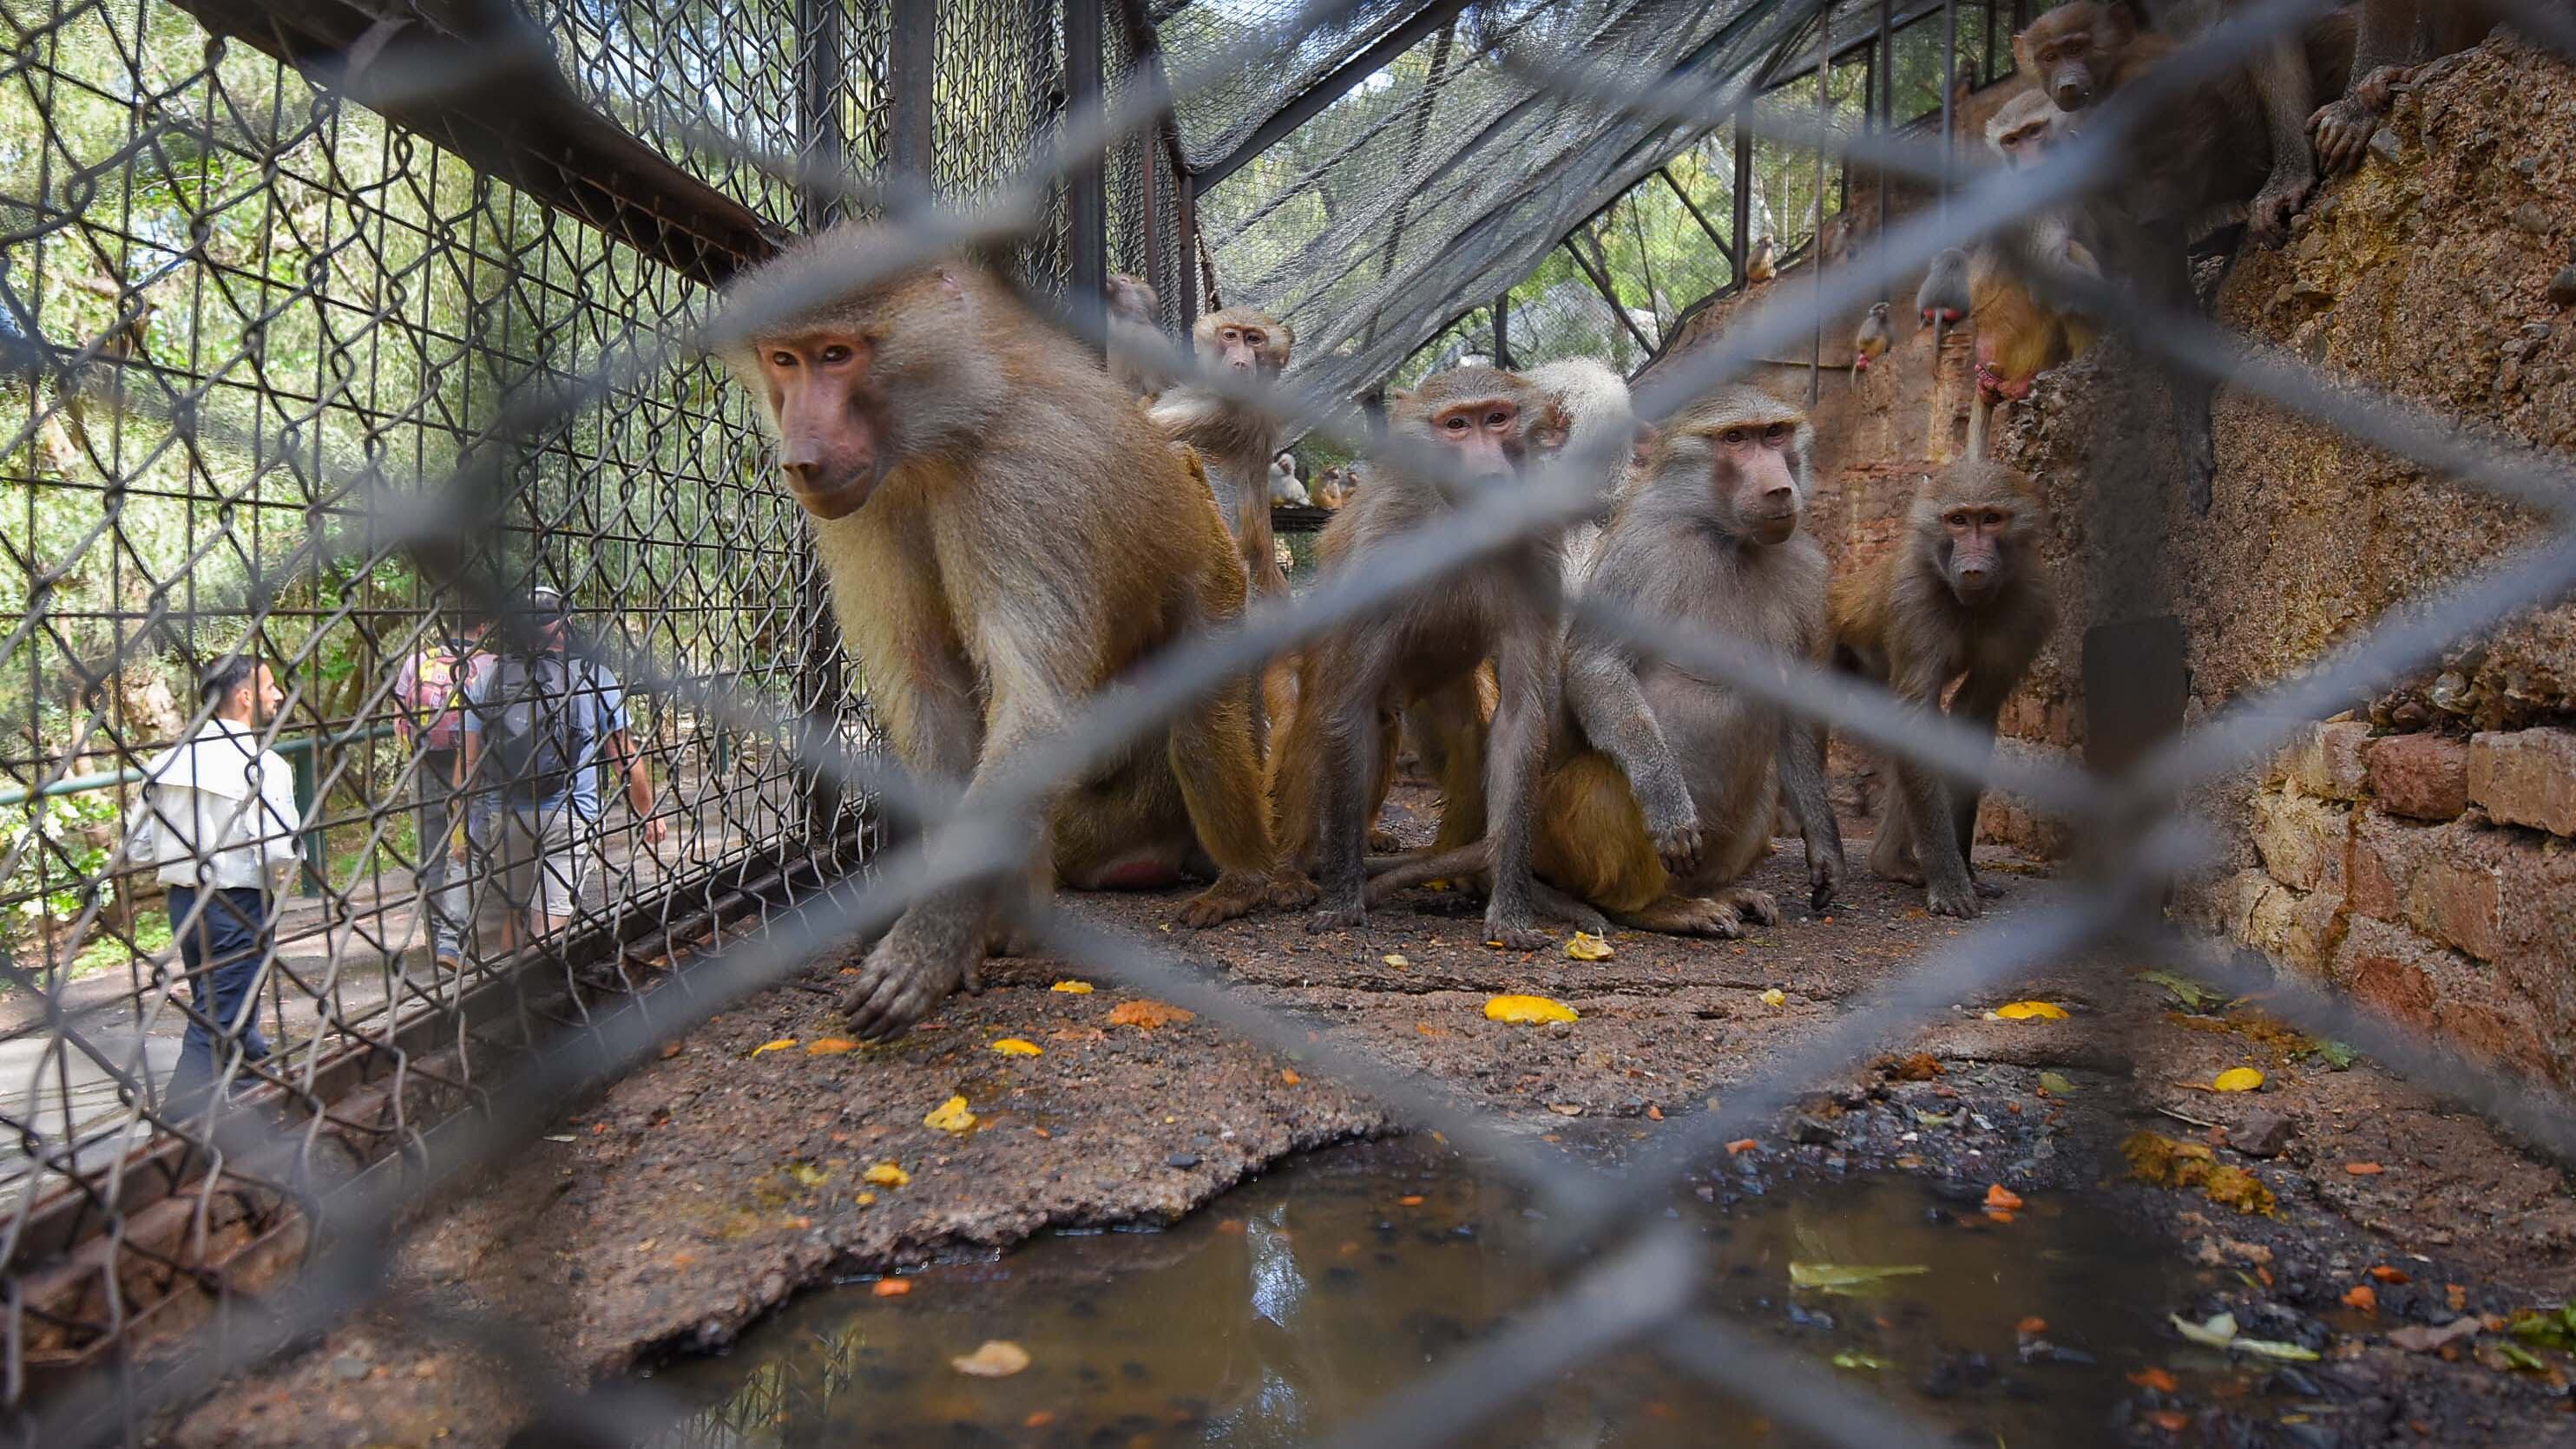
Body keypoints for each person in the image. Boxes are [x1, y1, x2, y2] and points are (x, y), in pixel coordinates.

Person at [124, 656, 299, 1111]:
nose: (279, 695)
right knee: (218, 1010)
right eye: (269, 688)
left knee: (220, 995)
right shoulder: (264, 764)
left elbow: (138, 847)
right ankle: (181, 1114)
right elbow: (280, 847)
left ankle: (252, 1077)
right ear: (245, 698)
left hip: (185, 900)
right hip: (238, 901)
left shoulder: (165, 762)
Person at [459, 587, 663, 954]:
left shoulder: (489, 677)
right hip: (567, 815)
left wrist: (462, 830)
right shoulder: (594, 675)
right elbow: (623, 755)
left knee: (515, 913)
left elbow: (470, 763)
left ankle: (508, 996)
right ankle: (534, 995)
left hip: (504, 816)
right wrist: (647, 812)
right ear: (565, 625)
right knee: (548, 919)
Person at [390, 609, 490, 972]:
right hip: (473, 759)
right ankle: (461, 938)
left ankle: (437, 938)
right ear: (481, 627)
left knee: (430, 849)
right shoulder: (488, 663)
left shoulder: (418, 661)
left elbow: (398, 713)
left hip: (425, 760)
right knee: (466, 846)